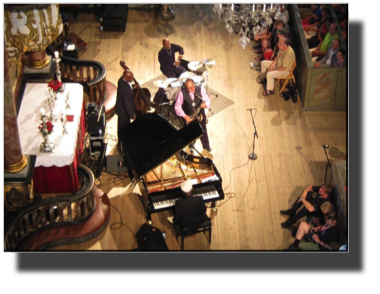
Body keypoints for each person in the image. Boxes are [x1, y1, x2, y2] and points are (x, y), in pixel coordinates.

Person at [175, 79, 212, 154]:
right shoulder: (182, 93)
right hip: (190, 119)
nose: (189, 90)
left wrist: (205, 105)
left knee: (203, 133)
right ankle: (190, 150)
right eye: (188, 88)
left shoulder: (200, 89)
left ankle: (207, 149)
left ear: (194, 85)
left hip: (200, 116)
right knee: (191, 136)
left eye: (191, 88)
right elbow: (177, 107)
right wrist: (185, 116)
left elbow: (208, 100)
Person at [115, 70, 137, 143]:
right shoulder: (126, 90)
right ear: (126, 78)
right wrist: (132, 115)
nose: (132, 79)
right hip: (125, 114)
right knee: (125, 129)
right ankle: (124, 145)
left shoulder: (121, 80)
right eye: (130, 78)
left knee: (120, 127)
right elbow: (128, 105)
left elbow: (128, 88)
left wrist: (134, 87)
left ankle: (120, 141)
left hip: (120, 110)